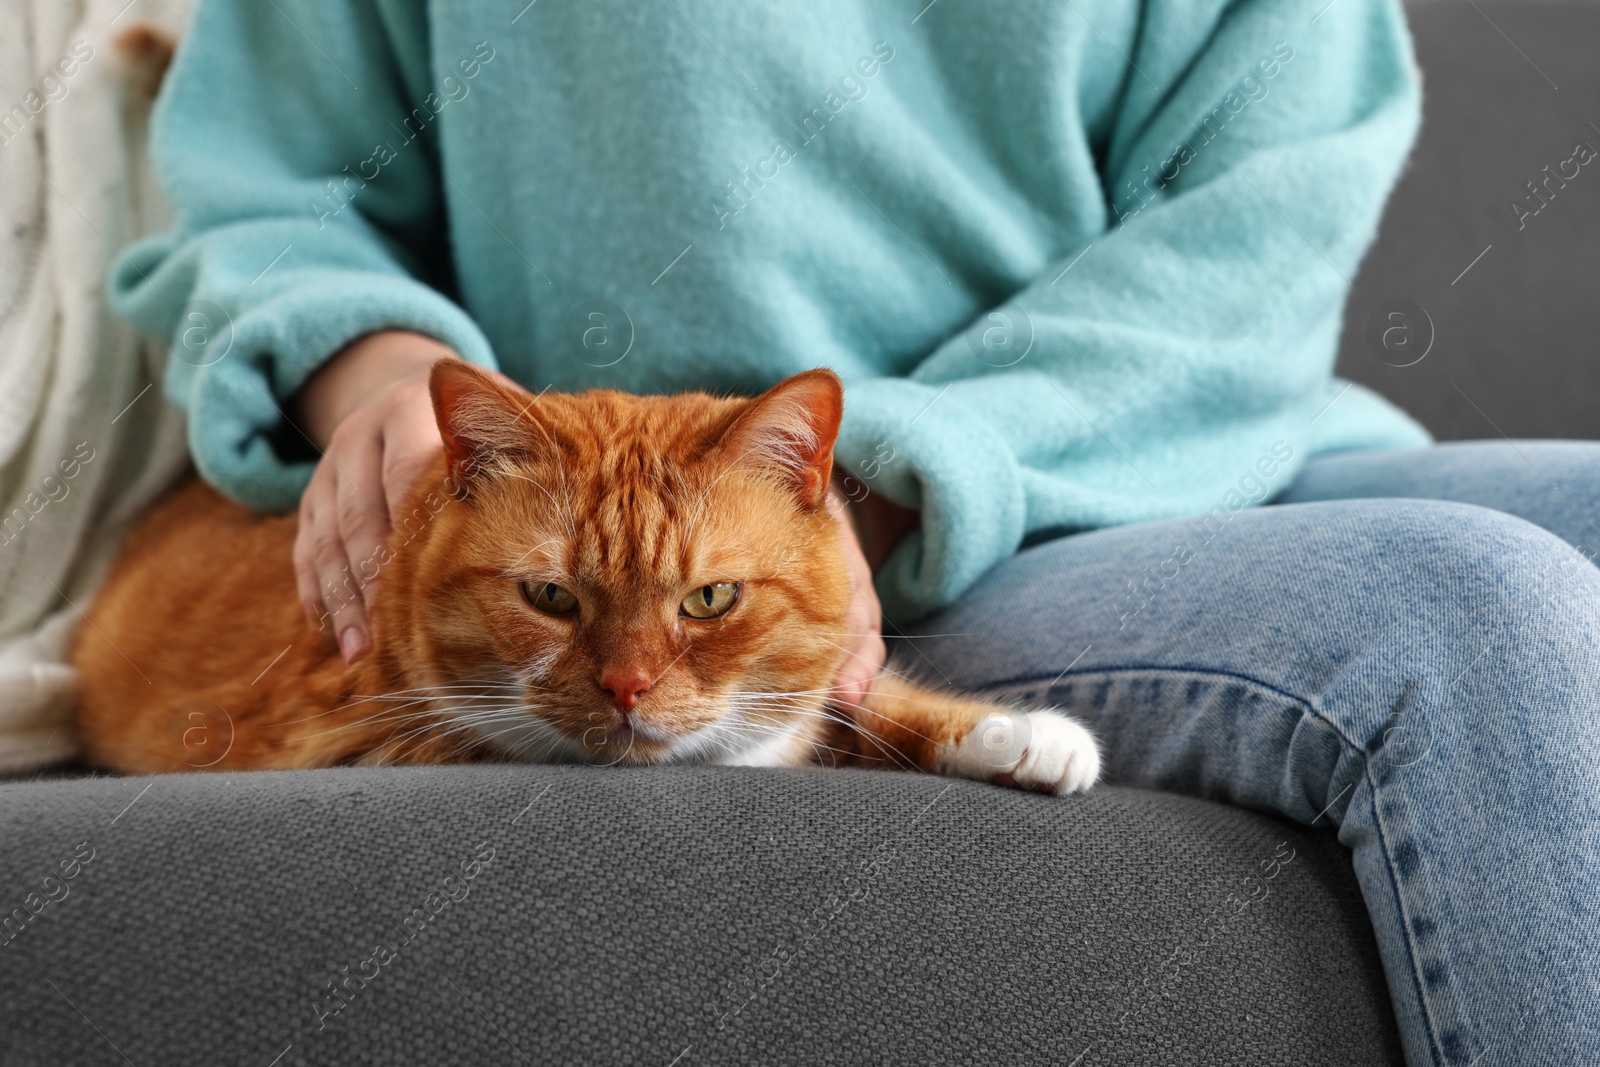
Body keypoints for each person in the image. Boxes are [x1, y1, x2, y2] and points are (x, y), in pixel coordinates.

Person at [112, 0, 1598, 1061]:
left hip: (1152, 429)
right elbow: (270, 186)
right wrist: (372, 373)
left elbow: (1266, 205)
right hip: (755, 542)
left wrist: (896, 469)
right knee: (1478, 616)